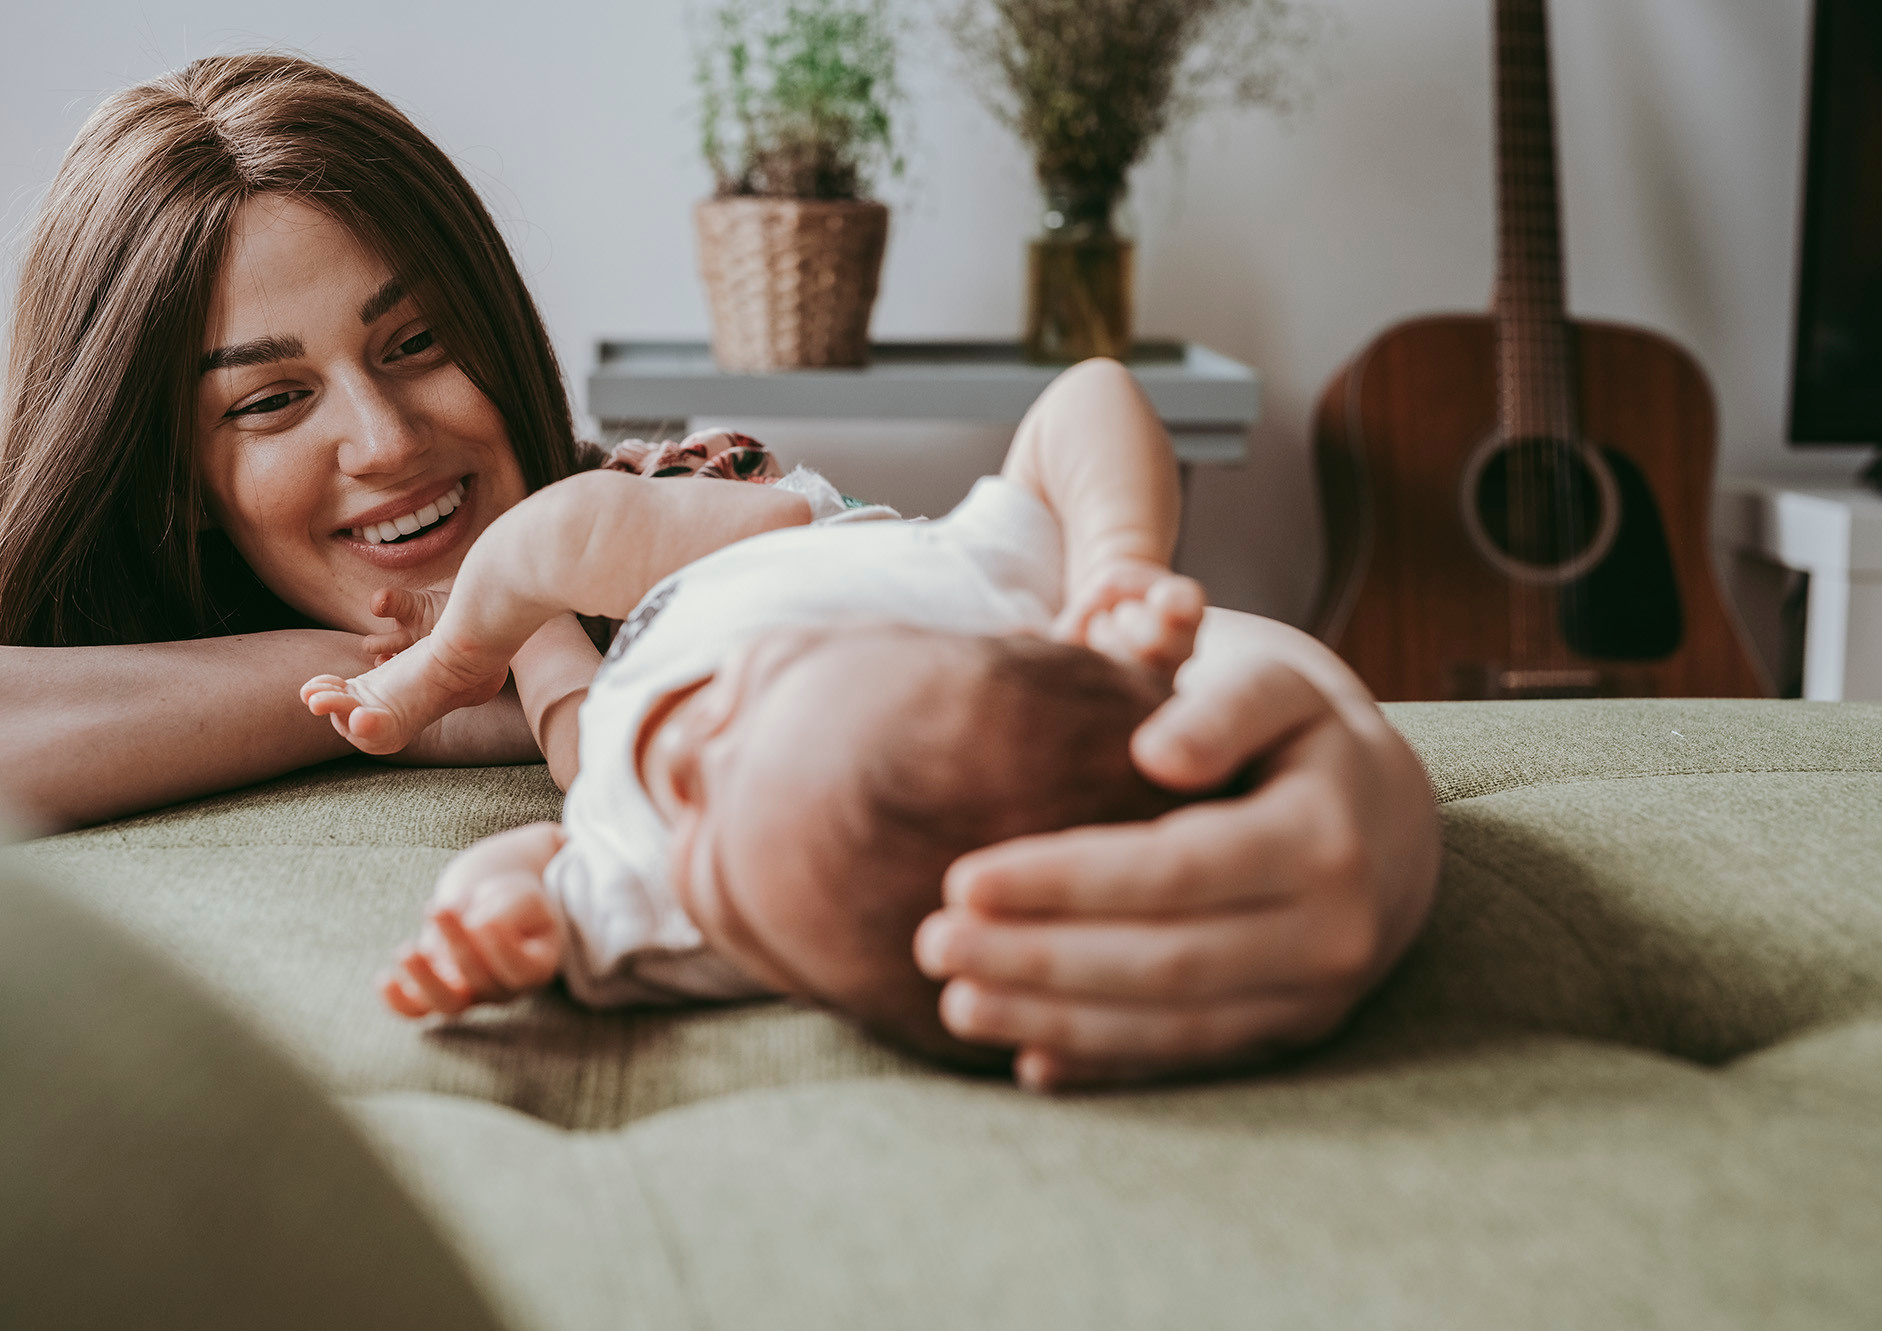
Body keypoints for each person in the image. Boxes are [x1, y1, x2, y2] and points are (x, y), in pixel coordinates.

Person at [0, 53, 1441, 1090]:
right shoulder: (104, 624)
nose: (385, 437)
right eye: (268, 401)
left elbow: (1014, 625)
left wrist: (1356, 781)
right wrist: (435, 679)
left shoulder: (681, 507)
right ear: (162, 483)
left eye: (416, 340)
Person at [304, 360, 1213, 1066]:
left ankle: (534, 647)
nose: (685, 737)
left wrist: (487, 923)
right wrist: (1118, 564)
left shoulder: (675, 921)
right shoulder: (974, 604)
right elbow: (1091, 396)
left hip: (606, 711)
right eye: (761, 695)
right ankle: (459, 651)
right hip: (768, 555)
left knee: (585, 759)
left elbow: (537, 863)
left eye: (704, 814)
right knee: (561, 534)